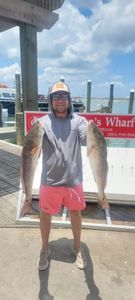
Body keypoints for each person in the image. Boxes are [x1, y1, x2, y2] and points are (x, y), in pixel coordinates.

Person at [21, 81, 88, 270]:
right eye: (56, 97)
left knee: (76, 213)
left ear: (69, 99)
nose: (60, 101)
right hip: (49, 181)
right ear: (50, 100)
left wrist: (93, 133)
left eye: (63, 97)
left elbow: (85, 139)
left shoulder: (79, 121)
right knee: (45, 214)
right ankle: (44, 249)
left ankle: (77, 249)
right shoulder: (40, 123)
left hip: (73, 180)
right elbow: (31, 152)